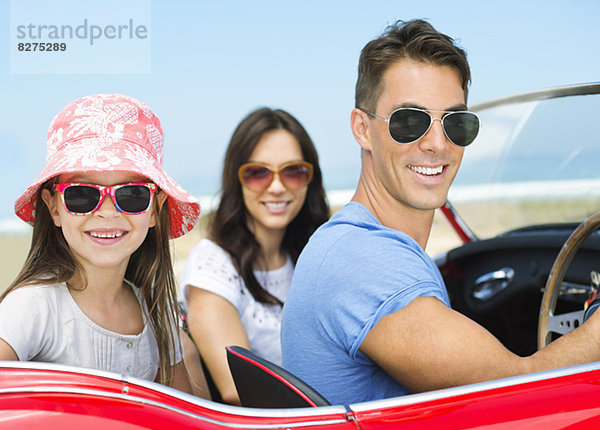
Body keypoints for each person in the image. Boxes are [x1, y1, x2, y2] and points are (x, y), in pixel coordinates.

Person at [281, 19, 600, 406]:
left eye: (456, 123)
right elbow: (518, 392)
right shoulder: (365, 264)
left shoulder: (349, 242)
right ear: (362, 129)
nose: (436, 143)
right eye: (409, 121)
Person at [0, 93, 202, 394]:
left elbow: (185, 422)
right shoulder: (32, 308)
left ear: (154, 210)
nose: (107, 211)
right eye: (82, 195)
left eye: (132, 195)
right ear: (54, 207)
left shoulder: (157, 312)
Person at [179, 108, 329, 405]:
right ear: (237, 180)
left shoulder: (315, 256)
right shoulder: (213, 266)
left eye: (293, 171)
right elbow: (238, 392)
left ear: (310, 179)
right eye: (258, 173)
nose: (276, 187)